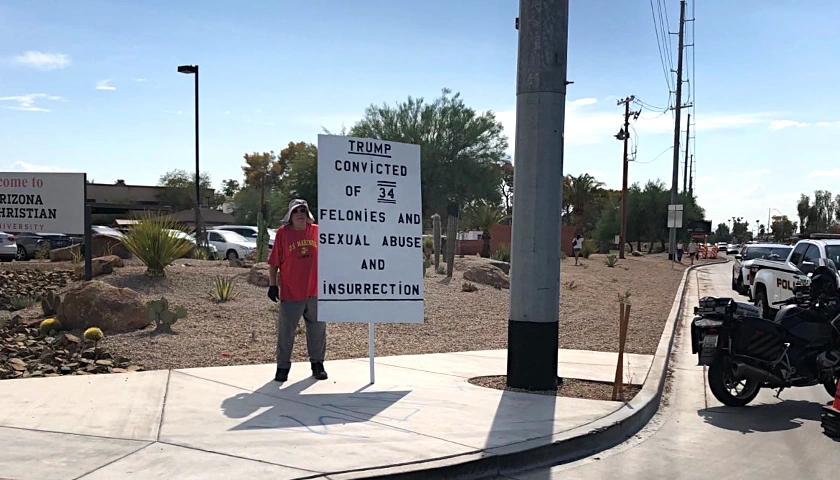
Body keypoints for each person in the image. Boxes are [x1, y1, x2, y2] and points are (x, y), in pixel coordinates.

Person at [267, 199, 327, 382]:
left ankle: (318, 365)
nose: (300, 214)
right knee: (286, 332)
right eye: (296, 211)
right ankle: (282, 367)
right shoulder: (283, 234)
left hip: (315, 291)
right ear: (290, 216)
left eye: (303, 210)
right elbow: (274, 261)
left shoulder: (317, 231)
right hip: (291, 291)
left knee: (317, 330)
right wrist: (272, 285)